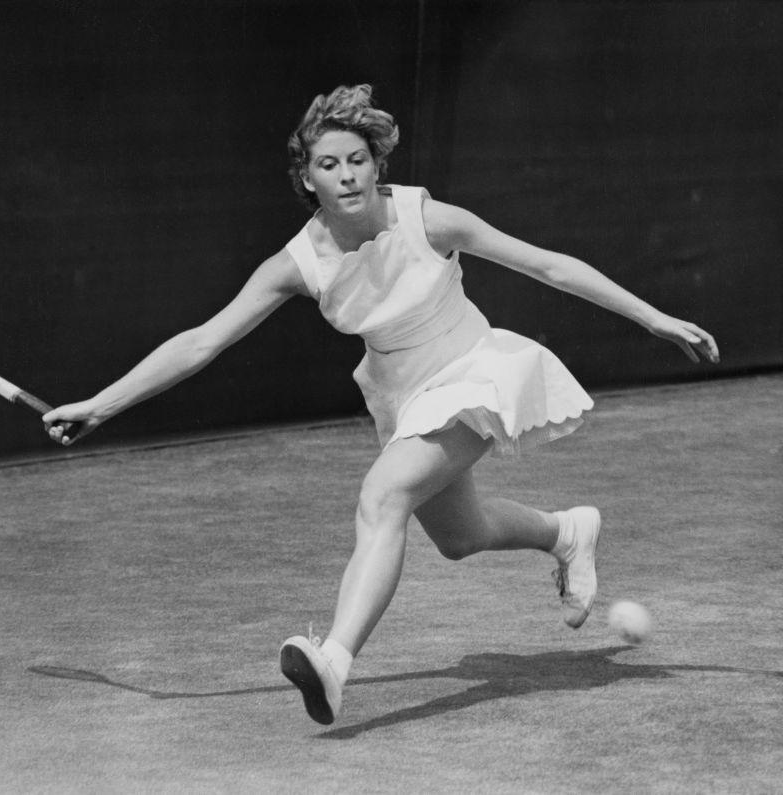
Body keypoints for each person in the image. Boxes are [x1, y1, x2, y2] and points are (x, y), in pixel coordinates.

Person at [42, 85, 719, 726]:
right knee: (461, 537)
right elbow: (200, 343)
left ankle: (334, 660)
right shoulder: (297, 264)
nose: (346, 175)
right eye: (328, 164)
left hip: (473, 373)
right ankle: (566, 531)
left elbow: (548, 265)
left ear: (377, 164)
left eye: (358, 160)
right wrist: (102, 404)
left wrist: (653, 316)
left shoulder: (428, 218)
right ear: (307, 178)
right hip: (403, 396)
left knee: (382, 497)